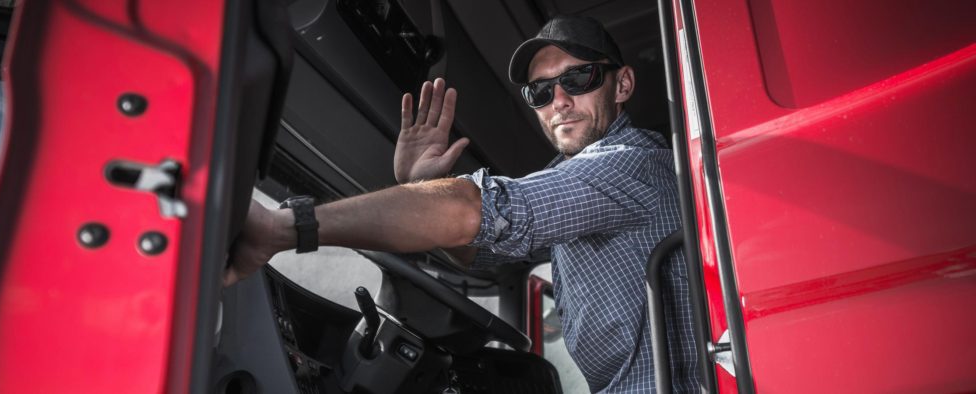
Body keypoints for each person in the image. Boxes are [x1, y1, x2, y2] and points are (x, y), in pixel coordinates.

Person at [226, 15, 698, 393]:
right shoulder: (571, 178)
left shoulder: (631, 163)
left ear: (622, 85)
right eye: (540, 90)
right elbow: (480, 250)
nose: (559, 100)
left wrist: (286, 227)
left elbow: (481, 211)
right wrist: (422, 186)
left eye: (579, 78)